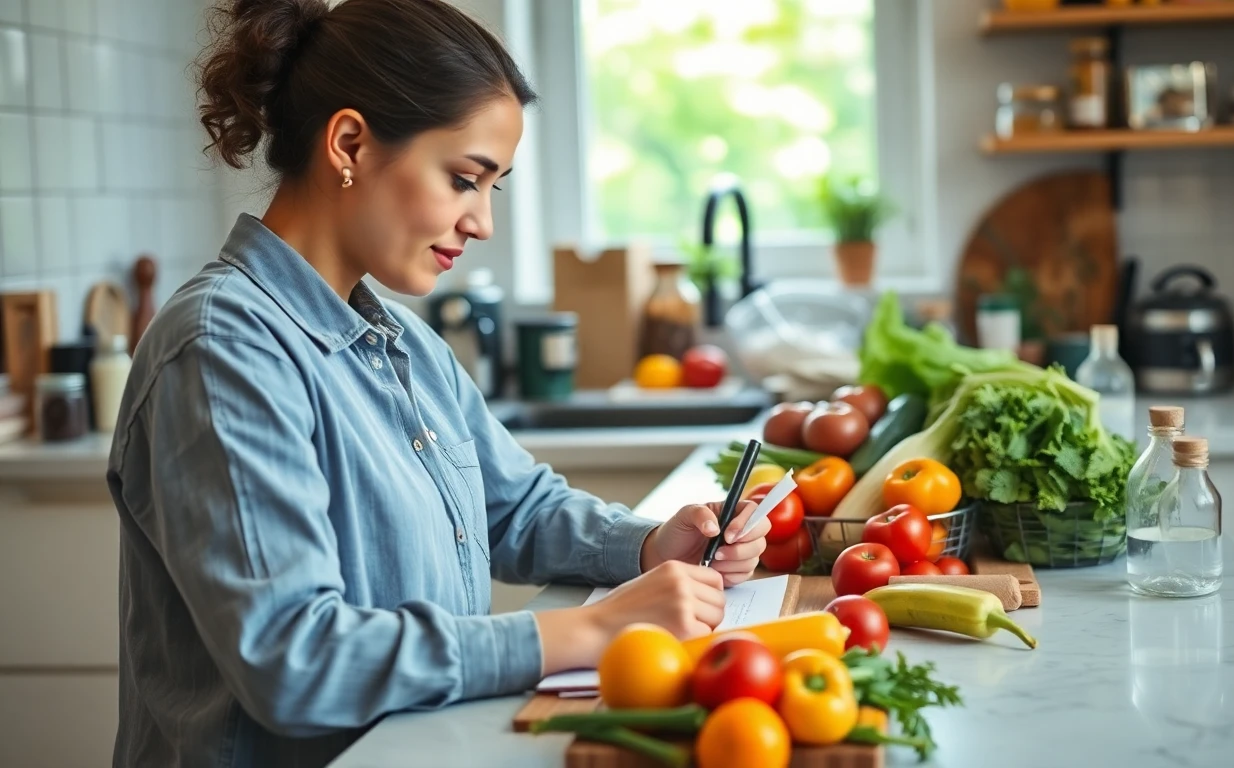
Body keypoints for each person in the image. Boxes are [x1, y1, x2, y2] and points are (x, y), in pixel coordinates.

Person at [106, 1, 768, 766]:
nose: (482, 221)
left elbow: (511, 506)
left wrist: (649, 543)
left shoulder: (401, 339)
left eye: (494, 188)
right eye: (463, 180)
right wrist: (589, 629)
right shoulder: (221, 351)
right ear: (349, 143)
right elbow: (293, 659)